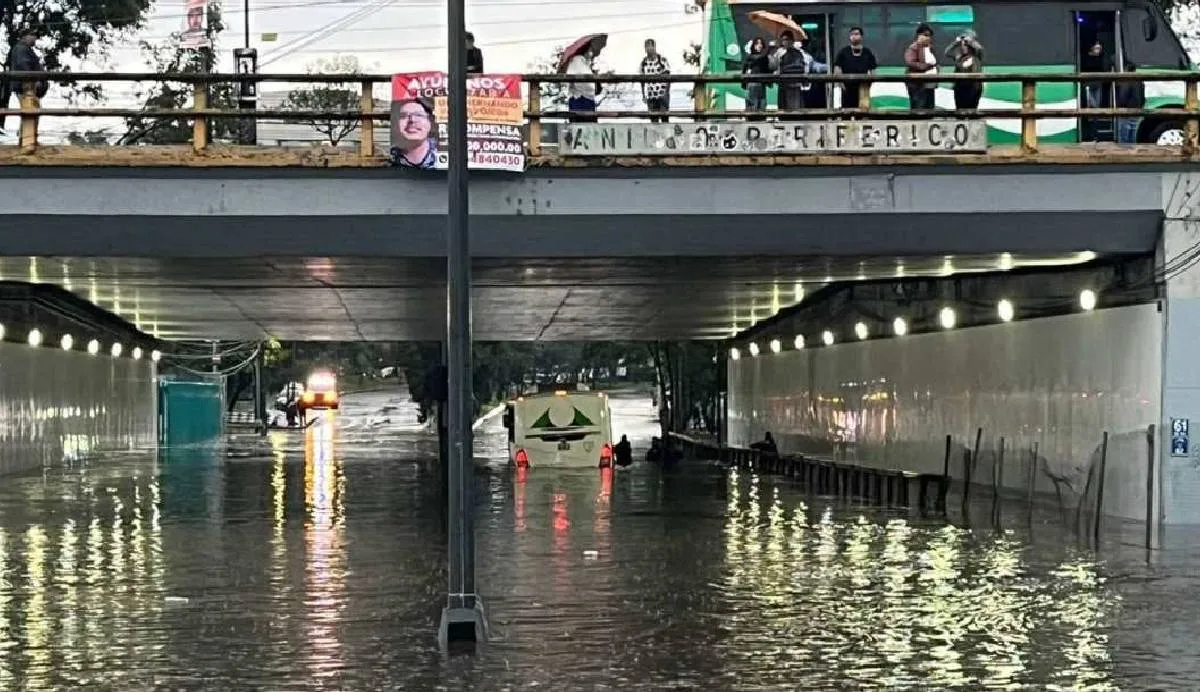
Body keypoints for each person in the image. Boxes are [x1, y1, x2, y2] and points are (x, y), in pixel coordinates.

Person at [6, 30, 44, 137]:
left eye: (35, 36)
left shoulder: (25, 49)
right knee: (30, 111)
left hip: (27, 85)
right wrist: (34, 80)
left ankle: (26, 136)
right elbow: (24, 65)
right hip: (25, 86)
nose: (34, 38)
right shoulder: (21, 49)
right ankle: (27, 138)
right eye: (32, 35)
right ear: (24, 37)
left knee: (32, 110)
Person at [770, 30, 815, 119]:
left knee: (795, 110)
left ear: (792, 40)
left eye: (787, 39)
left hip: (794, 84)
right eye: (783, 40)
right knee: (784, 109)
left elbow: (809, 62)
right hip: (785, 84)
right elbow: (772, 66)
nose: (785, 42)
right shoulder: (780, 52)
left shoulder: (798, 52)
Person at [833, 26, 877, 112]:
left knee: (863, 111)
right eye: (852, 34)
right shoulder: (843, 52)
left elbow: (873, 69)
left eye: (856, 34)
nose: (854, 36)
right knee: (847, 112)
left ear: (861, 36)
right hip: (847, 87)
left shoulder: (868, 52)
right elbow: (837, 68)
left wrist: (870, 83)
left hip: (863, 87)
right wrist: (840, 83)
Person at [389, 98, 438, 169]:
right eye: (404, 116)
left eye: (419, 115)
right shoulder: (388, 158)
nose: (412, 120)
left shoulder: (446, 154)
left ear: (430, 122)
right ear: (396, 123)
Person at [945, 30, 984, 111]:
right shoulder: (959, 56)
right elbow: (947, 52)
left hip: (973, 87)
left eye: (966, 45)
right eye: (963, 44)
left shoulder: (976, 56)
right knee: (960, 111)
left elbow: (980, 49)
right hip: (960, 88)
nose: (964, 46)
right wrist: (956, 43)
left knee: (972, 111)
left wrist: (970, 41)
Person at [566, 38, 603, 122]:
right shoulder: (577, 61)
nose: (591, 52)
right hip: (580, 98)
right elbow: (586, 85)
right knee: (582, 123)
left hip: (584, 99)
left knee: (586, 123)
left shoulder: (584, 63)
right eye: (590, 49)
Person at [903, 23, 937, 111]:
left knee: (930, 109)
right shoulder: (913, 48)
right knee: (919, 109)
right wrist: (926, 67)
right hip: (917, 84)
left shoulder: (930, 48)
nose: (928, 38)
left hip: (930, 84)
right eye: (926, 35)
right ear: (919, 35)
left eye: (929, 36)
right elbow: (910, 62)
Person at [639, 38, 671, 123]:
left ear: (654, 47)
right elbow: (641, 79)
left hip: (662, 94)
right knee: (653, 121)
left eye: (649, 46)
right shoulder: (644, 62)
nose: (647, 49)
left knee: (664, 119)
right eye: (646, 47)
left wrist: (666, 93)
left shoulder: (662, 60)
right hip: (651, 95)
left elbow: (668, 77)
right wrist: (643, 95)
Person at [741, 37, 770, 121]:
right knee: (752, 106)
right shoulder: (750, 58)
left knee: (762, 105)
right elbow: (744, 70)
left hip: (761, 85)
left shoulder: (764, 58)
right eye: (757, 43)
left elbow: (767, 69)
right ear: (753, 45)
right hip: (752, 85)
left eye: (761, 43)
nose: (759, 45)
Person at [1115, 61, 1143, 144]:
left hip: (1125, 111)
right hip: (1136, 110)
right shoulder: (1139, 81)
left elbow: (1123, 96)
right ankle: (1132, 152)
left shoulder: (1125, 81)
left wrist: (1119, 106)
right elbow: (1143, 97)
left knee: (1124, 137)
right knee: (1133, 135)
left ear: (1126, 69)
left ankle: (1124, 153)